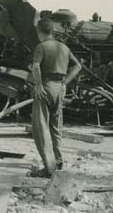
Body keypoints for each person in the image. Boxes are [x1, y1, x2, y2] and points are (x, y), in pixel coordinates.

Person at [30, 18, 82, 177]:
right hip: (59, 89)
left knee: (41, 127)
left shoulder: (41, 46)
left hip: (45, 88)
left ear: (40, 31)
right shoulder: (64, 48)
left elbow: (36, 66)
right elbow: (78, 66)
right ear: (52, 31)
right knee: (55, 128)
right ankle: (58, 162)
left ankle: (49, 167)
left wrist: (38, 85)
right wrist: (65, 82)